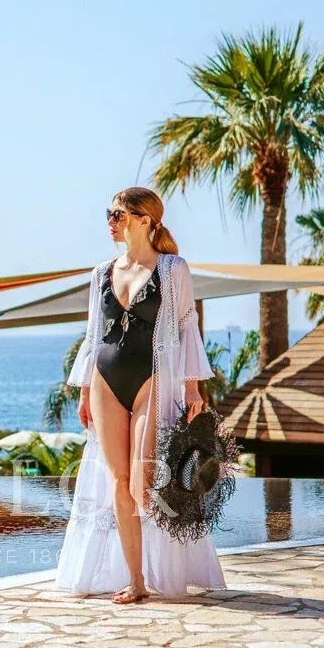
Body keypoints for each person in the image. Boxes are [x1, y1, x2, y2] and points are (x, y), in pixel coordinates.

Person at [53, 187, 227, 603]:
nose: (110, 222)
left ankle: (164, 563)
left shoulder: (172, 269)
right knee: (117, 480)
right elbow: (94, 335)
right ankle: (136, 580)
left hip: (153, 379)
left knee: (143, 479)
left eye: (118, 214)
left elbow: (186, 327)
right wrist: (84, 392)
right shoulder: (101, 273)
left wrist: (192, 386)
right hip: (105, 380)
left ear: (144, 219)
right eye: (109, 214)